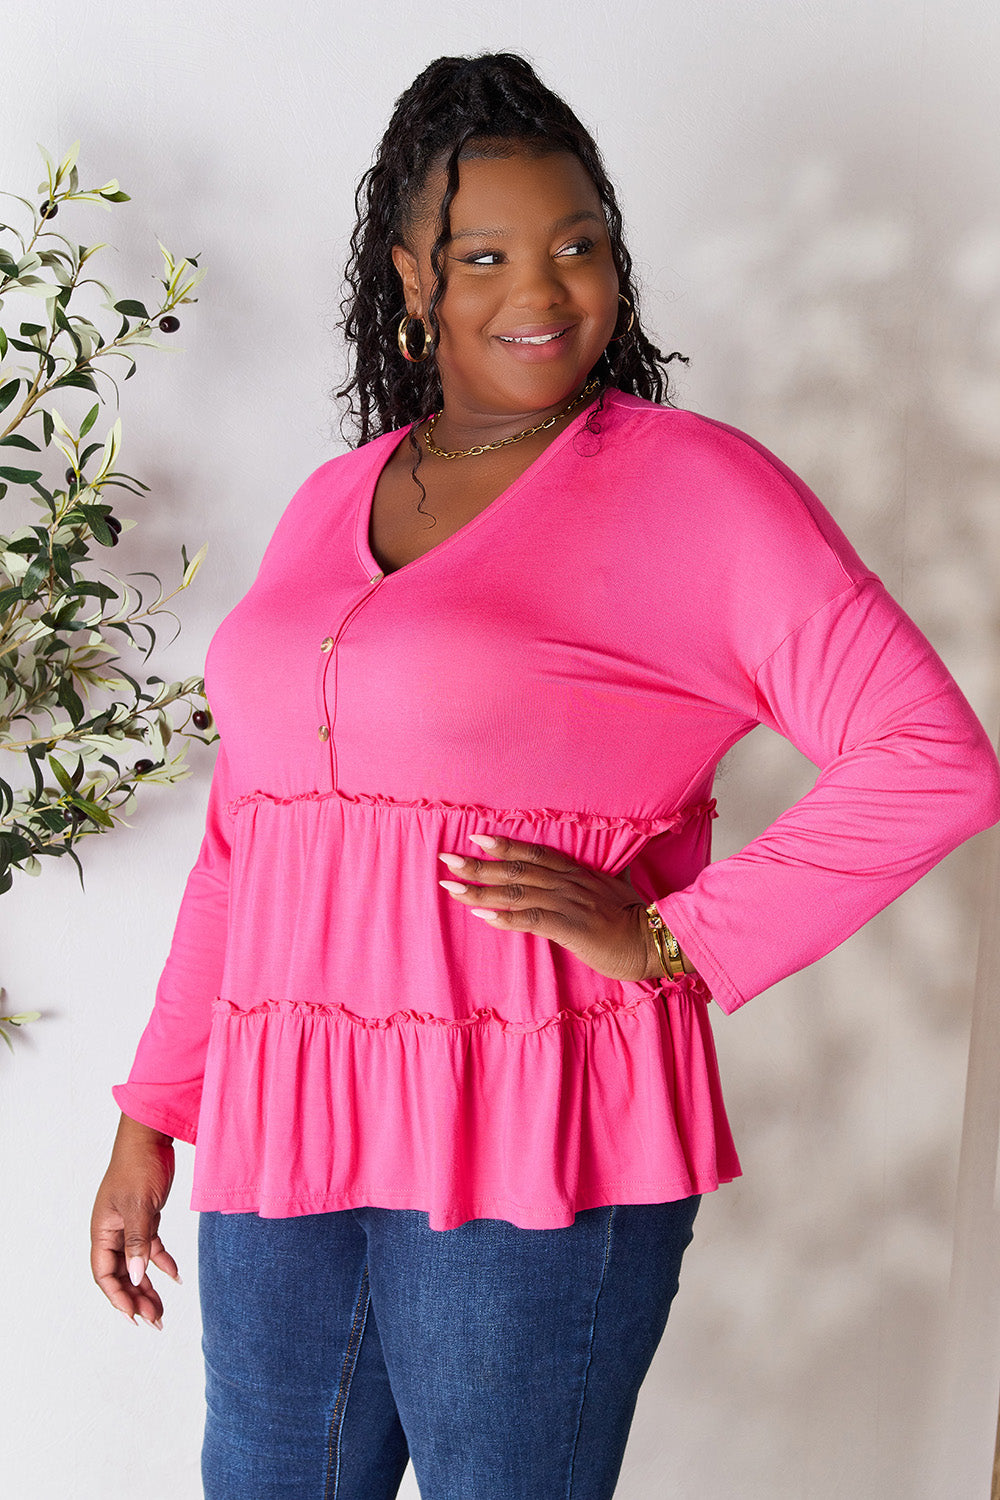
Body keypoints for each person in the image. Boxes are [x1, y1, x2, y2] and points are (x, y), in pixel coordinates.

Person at [90, 51, 1000, 1500]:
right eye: (488, 254)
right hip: (289, 1113)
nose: (546, 288)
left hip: (535, 1117)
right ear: (410, 276)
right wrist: (155, 1115)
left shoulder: (698, 488)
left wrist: (666, 934)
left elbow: (934, 760)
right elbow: (247, 844)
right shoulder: (339, 494)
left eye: (582, 245)